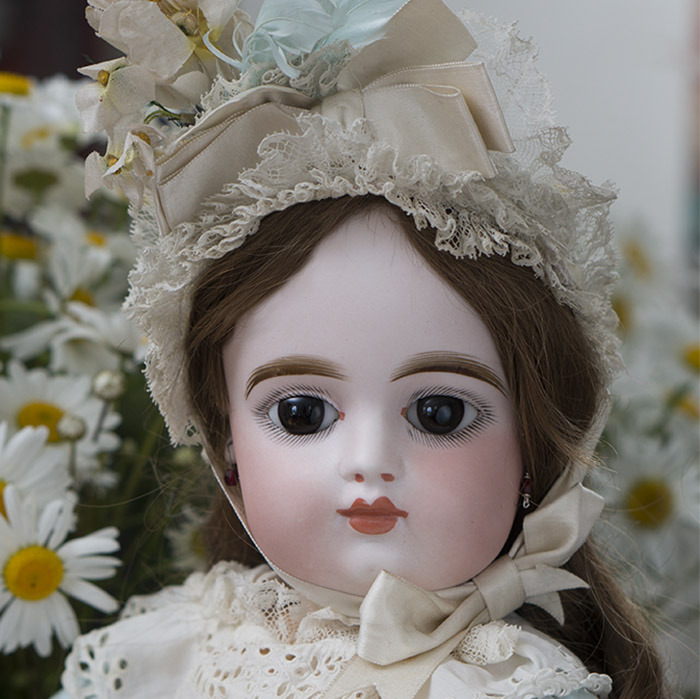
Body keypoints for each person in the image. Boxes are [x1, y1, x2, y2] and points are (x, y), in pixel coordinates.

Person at [62, 0, 669, 696]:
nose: (369, 461)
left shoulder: (516, 681)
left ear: (531, 448)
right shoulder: (167, 654)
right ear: (225, 440)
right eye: (300, 413)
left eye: (440, 413)